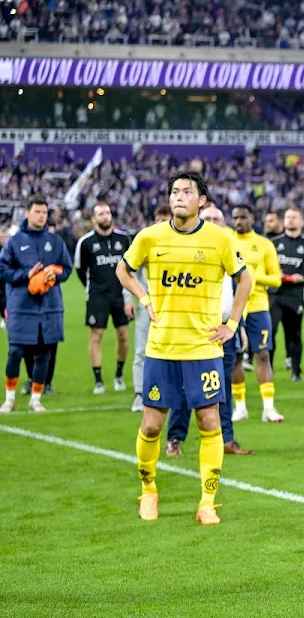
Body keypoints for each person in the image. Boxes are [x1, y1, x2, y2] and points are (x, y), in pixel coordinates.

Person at [116, 171, 254, 525]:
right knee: (150, 427)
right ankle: (148, 492)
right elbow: (123, 269)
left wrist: (233, 324)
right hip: (162, 349)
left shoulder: (219, 239)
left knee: (210, 422)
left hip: (203, 349)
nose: (179, 196)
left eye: (187, 191)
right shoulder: (149, 236)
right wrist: (144, 297)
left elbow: (245, 279)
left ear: (201, 201)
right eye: (175, 191)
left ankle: (207, 502)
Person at [166, 204, 254, 457]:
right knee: (185, 387)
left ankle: (227, 439)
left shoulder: (227, 250)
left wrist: (238, 326)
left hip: (223, 330)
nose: (214, 222)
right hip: (190, 329)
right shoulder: (185, 249)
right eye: (208, 218)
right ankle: (175, 438)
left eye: (218, 218)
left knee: (223, 386)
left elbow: (238, 291)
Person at [0, 197, 73, 414]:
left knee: (43, 355)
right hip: (21, 307)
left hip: (48, 308)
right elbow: (2, 271)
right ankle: (9, 399)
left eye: (44, 212)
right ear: (27, 213)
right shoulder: (14, 241)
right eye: (37, 212)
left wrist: (53, 276)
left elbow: (67, 269)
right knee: (15, 352)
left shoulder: (56, 241)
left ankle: (36, 399)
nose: (41, 216)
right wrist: (27, 275)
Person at [230, 204, 285, 424]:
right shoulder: (227, 241)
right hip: (234, 306)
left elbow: (277, 279)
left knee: (262, 355)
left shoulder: (264, 244)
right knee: (235, 356)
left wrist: (255, 276)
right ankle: (240, 407)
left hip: (258, 306)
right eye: (235, 217)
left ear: (252, 218)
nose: (238, 221)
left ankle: (268, 408)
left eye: (243, 217)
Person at [74, 201, 134, 395]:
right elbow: (80, 270)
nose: (105, 216)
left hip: (120, 295)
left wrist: (129, 296)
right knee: (96, 336)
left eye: (107, 212)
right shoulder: (86, 242)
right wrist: (92, 289)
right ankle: (98, 380)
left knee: (124, 336)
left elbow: (131, 268)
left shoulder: (124, 239)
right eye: (100, 214)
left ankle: (118, 375)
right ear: (94, 219)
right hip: (97, 296)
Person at [126, 204, 172, 412]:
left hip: (174, 307)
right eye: (159, 218)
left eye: (165, 218)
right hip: (149, 304)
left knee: (174, 351)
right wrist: (130, 297)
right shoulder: (146, 240)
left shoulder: (182, 243)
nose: (162, 222)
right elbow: (129, 271)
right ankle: (139, 394)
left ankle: (170, 392)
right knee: (142, 350)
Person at [269, 206, 304, 382]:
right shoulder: (274, 244)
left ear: (301, 221)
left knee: (294, 334)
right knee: (271, 331)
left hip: (295, 296)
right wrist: (276, 275)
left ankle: (296, 372)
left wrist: (303, 278)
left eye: (294, 217)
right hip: (275, 295)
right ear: (284, 221)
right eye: (288, 217)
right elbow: (265, 267)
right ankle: (269, 369)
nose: (290, 220)